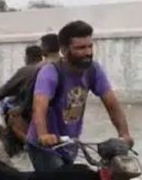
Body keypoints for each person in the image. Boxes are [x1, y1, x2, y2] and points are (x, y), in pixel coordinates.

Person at [28, 20, 133, 171]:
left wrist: (124, 134)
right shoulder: (50, 72)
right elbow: (39, 108)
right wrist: (44, 135)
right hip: (45, 147)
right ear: (64, 50)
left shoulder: (94, 70)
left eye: (90, 46)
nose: (88, 52)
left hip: (70, 142)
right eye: (81, 48)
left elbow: (112, 104)